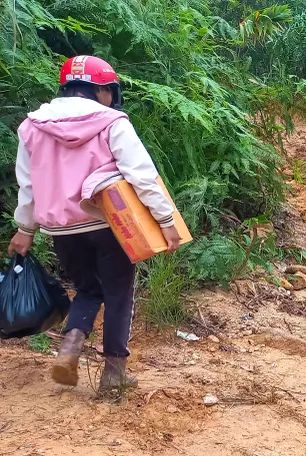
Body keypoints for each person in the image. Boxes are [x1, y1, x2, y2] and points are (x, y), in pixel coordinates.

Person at [7, 55, 182, 398]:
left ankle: (71, 343)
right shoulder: (112, 122)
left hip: (62, 230)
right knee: (118, 294)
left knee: (88, 290)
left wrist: (25, 229)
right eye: (109, 91)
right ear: (100, 90)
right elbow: (142, 176)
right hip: (108, 222)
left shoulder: (32, 127)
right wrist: (166, 220)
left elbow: (27, 186)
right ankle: (114, 376)